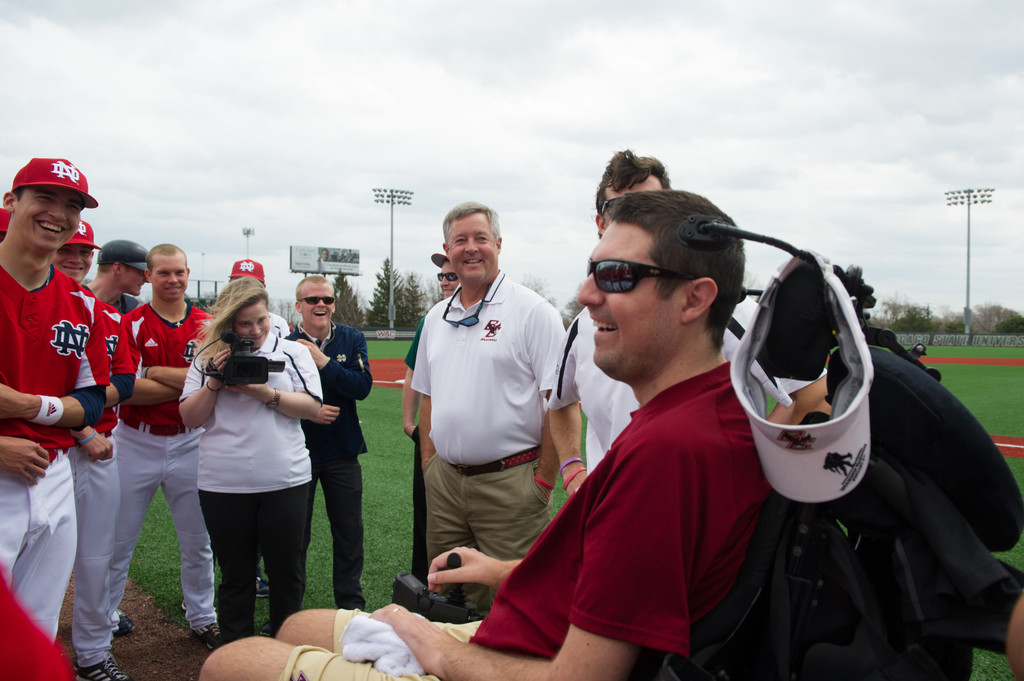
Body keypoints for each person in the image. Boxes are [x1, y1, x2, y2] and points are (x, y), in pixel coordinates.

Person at [199, 188, 771, 681]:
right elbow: (616, 579)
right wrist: (501, 569)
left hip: (524, 648)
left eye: (616, 276)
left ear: (696, 299)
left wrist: (434, 646)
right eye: (592, 271)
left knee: (232, 663)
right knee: (299, 624)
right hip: (504, 576)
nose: (587, 295)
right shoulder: (694, 417)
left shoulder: (666, 452)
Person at [548, 150, 828, 494]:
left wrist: (756, 469)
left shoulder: (726, 310)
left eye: (651, 206)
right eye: (621, 208)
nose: (636, 218)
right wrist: (573, 470)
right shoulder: (585, 323)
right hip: (615, 509)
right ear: (601, 223)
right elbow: (559, 404)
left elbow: (813, 394)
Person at [411, 201, 564, 613]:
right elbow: (427, 394)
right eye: (460, 240)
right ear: (447, 250)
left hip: (511, 485)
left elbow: (559, 402)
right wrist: (429, 465)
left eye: (480, 238)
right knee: (449, 600)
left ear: (498, 243)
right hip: (445, 483)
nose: (471, 248)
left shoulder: (533, 311)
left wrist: (543, 481)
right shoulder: (435, 318)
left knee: (520, 604)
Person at [0, 158, 109, 640]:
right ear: (11, 201)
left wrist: (28, 406)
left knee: (37, 629)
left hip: (55, 471)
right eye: (44, 197)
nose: (59, 214)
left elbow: (91, 402)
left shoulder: (82, 304)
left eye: (72, 205)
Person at [180, 277, 322, 642]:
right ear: (229, 325)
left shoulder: (293, 353)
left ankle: (287, 651)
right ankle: (236, 656)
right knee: (236, 577)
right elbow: (190, 418)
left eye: (262, 320)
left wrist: (265, 393)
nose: (256, 330)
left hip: (285, 480)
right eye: (245, 324)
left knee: (287, 574)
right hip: (222, 484)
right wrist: (213, 381)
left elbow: (312, 407)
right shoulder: (206, 356)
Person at [109, 243, 222, 650]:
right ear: (148, 276)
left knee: (198, 540)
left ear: (188, 274)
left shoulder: (208, 325)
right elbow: (128, 390)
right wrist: (191, 379)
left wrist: (156, 371)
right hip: (134, 439)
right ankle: (103, 617)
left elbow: (218, 383)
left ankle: (203, 617)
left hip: (191, 440)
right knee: (118, 539)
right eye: (163, 273)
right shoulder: (131, 323)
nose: (172, 280)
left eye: (179, 272)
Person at [52, 220, 139, 681]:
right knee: (28, 560)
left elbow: (123, 381)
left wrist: (78, 409)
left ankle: (91, 653)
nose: (77, 258)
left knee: (95, 557)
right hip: (44, 452)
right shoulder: (29, 305)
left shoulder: (106, 316)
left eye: (85, 251)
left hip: (100, 449)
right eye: (68, 249)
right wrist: (80, 426)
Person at [286, 275, 372, 609]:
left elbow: (361, 387)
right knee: (294, 536)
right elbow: (273, 397)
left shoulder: (351, 338)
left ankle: (351, 607)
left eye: (327, 299)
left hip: (343, 452)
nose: (321, 305)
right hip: (296, 453)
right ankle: (288, 609)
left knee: (349, 533)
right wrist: (310, 411)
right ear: (299, 306)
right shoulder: (284, 343)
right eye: (312, 300)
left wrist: (323, 362)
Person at [401, 253, 458, 581]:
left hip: (469, 440)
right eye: (442, 276)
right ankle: (424, 584)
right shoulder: (432, 319)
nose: (445, 282)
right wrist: (409, 423)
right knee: (427, 515)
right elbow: (413, 373)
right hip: (431, 434)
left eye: (451, 276)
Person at [229, 259, 290, 337]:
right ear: (230, 285)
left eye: (251, 284)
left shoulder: (277, 324)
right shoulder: (217, 321)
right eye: (239, 283)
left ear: (263, 287)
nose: (245, 289)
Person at [88, 239, 148, 314]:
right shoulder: (76, 299)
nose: (147, 280)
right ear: (118, 268)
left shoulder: (132, 311)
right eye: (141, 273)